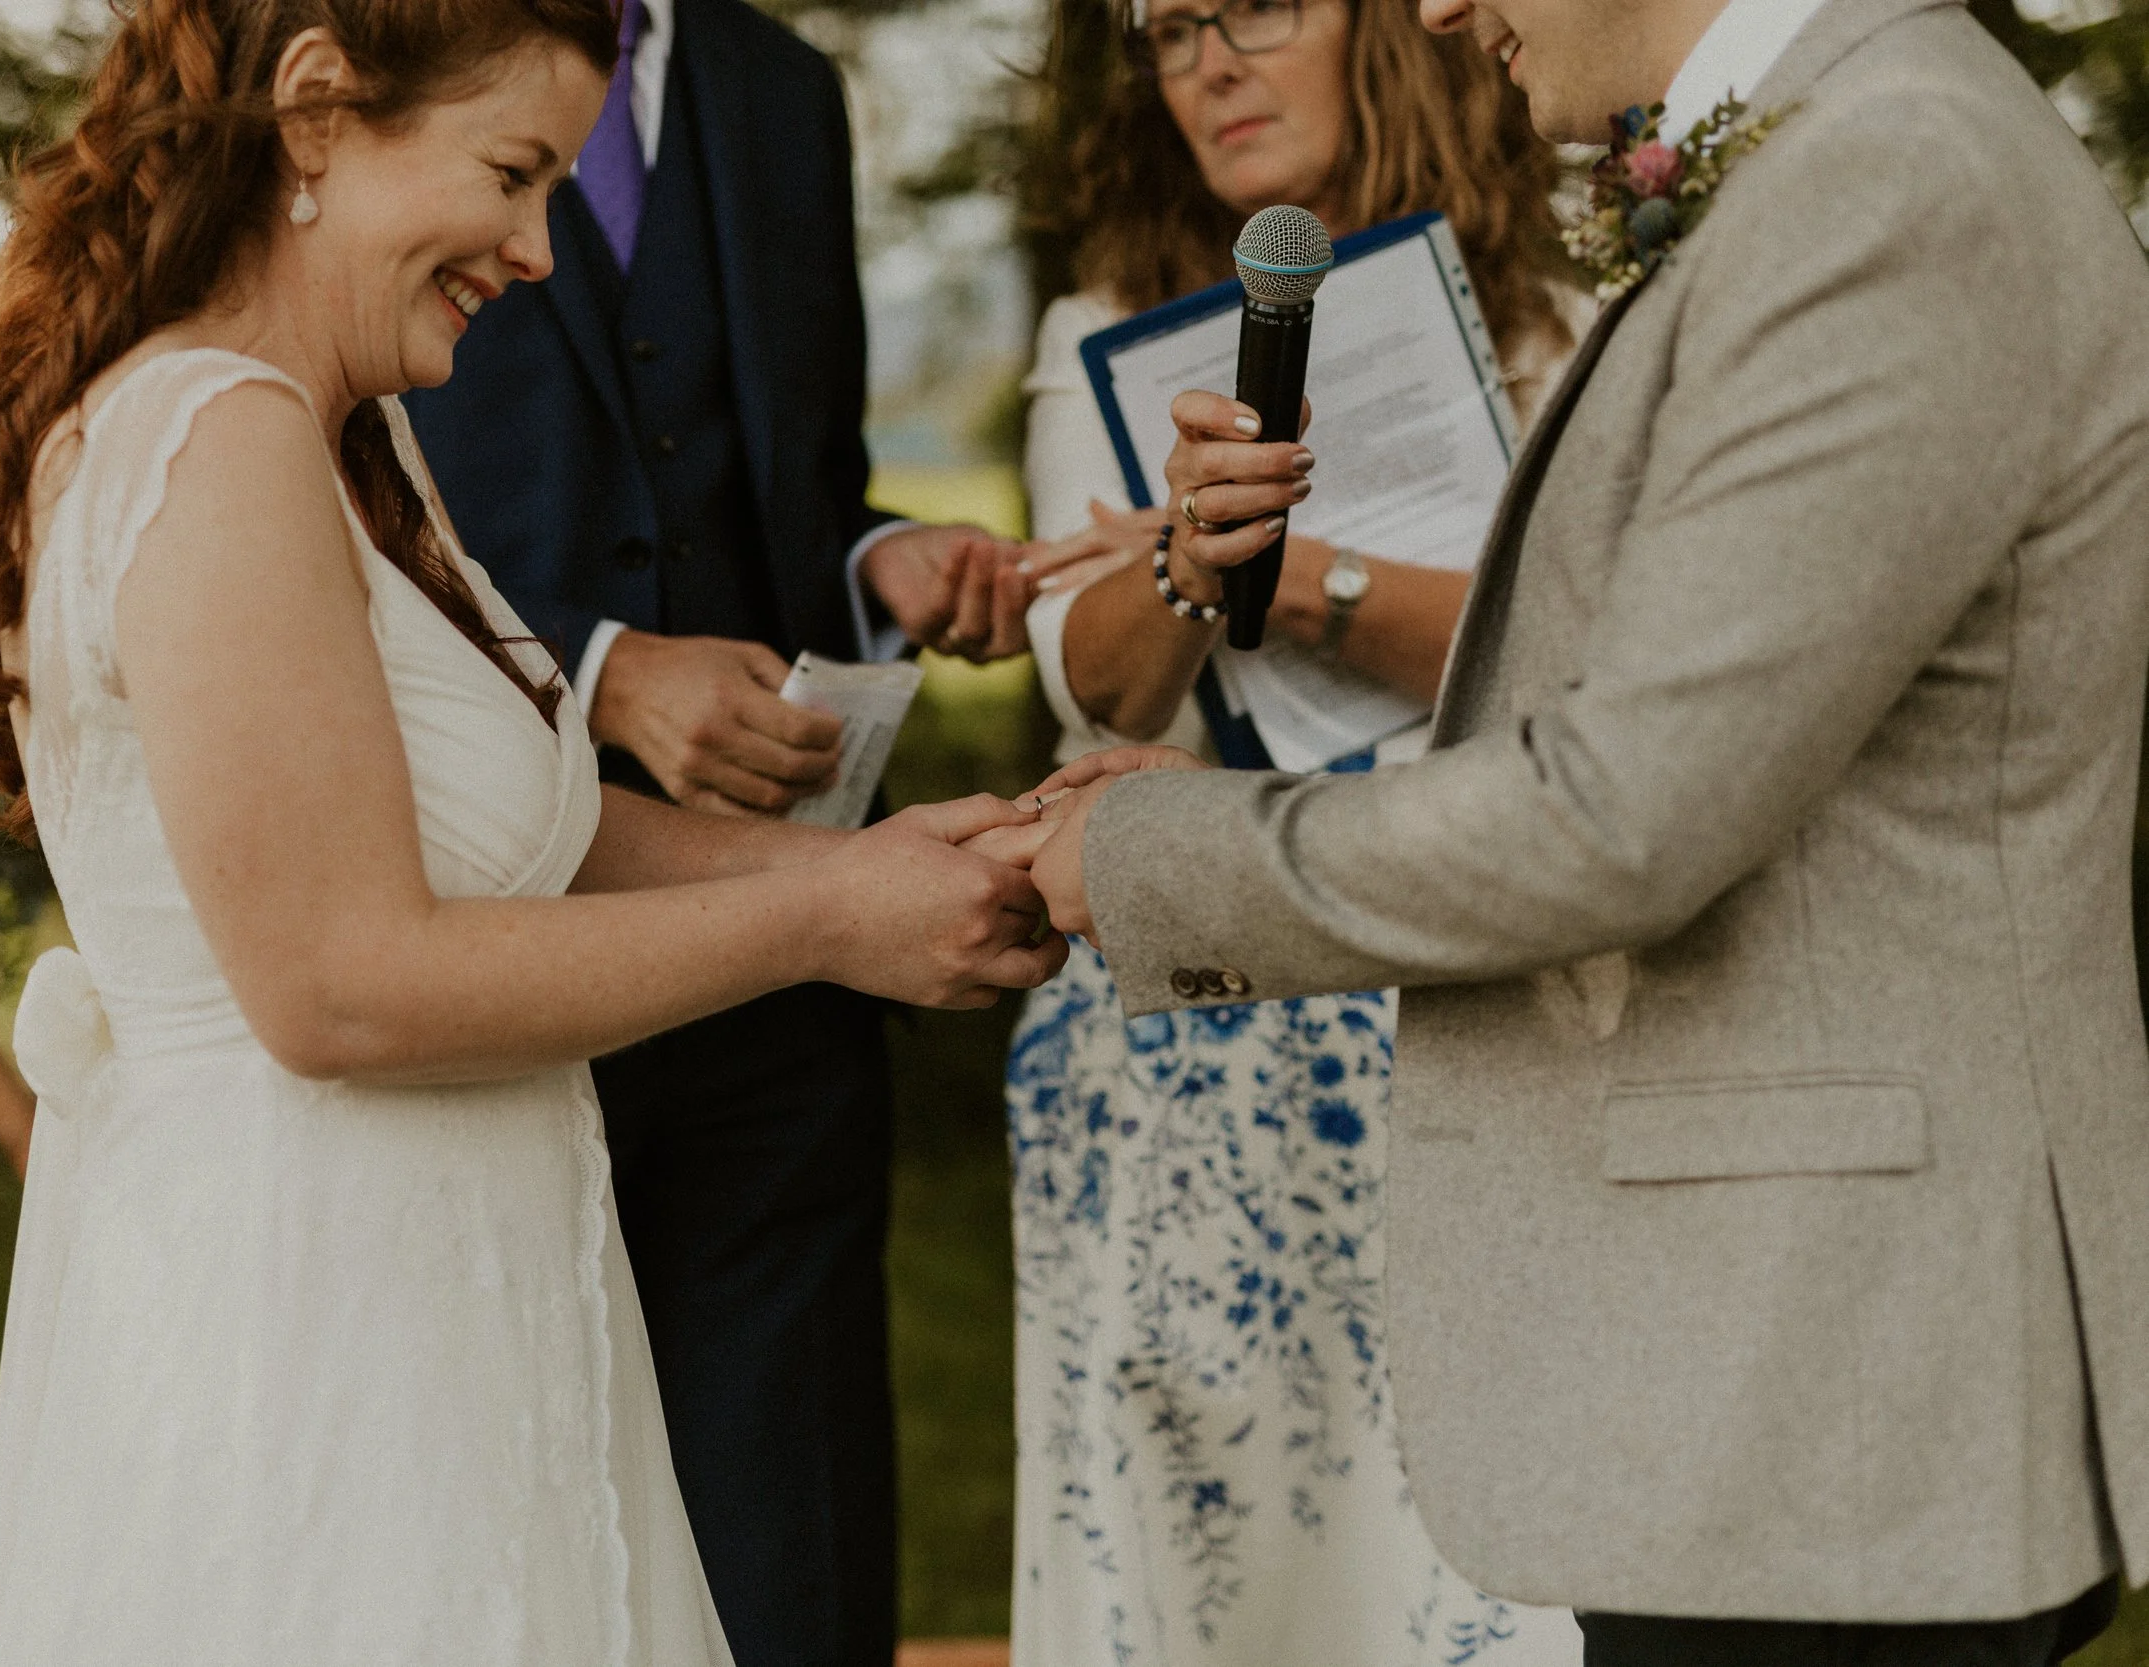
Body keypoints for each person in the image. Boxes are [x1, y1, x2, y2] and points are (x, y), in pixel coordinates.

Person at [0, 3, 1066, 1661]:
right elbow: (342, 983)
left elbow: (529, 833)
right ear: (312, 113)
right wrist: (821, 928)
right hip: (320, 1344)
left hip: (461, 1301)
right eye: (512, 175)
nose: (534, 249)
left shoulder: (351, 436)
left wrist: (889, 864)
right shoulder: (214, 439)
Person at [1021, 0, 2149, 1654]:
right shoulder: (1832, 153)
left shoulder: (1893, 170)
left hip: (1829, 1376)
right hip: (1777, 1376)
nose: (1429, 6)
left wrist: (1162, 861)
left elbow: (1627, 814)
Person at [398, 2, 1031, 1658]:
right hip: (499, 931)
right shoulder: (373, 55)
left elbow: (785, 479)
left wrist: (875, 563)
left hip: (797, 943)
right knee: (521, 1514)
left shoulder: (781, 88)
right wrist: (599, 676)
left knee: (792, 1526)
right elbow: (326, 503)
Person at [999, 0, 1586, 1661]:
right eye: (1167, 29)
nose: (1210, 63)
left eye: (1253, 5)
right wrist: (1185, 557)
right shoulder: (1108, 323)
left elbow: (1598, 653)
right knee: (1217, 1577)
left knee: (1474, 1566)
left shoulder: (1560, 309)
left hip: (1463, 987)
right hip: (1191, 1027)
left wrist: (1302, 575)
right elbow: (1101, 680)